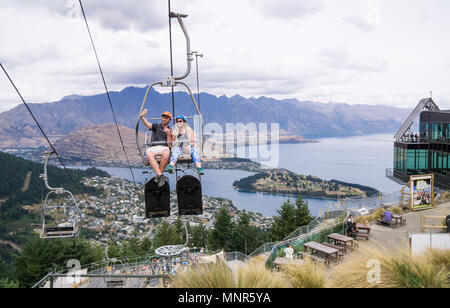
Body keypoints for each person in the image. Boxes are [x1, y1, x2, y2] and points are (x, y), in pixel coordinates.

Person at [139, 109, 172, 186]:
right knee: (149, 154)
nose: (164, 119)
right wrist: (142, 117)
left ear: (169, 120)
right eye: (163, 117)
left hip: (164, 147)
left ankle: (159, 175)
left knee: (167, 153)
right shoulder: (156, 126)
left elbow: (169, 144)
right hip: (154, 147)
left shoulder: (170, 130)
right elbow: (147, 124)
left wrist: (168, 134)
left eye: (166, 117)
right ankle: (160, 175)